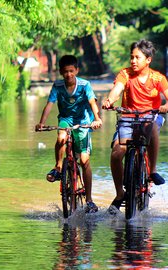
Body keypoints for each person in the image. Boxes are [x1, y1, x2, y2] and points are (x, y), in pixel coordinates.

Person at [102, 39, 168, 213]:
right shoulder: (125, 74)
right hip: (127, 118)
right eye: (131, 57)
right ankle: (120, 193)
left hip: (150, 117)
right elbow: (116, 90)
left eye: (138, 57)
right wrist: (109, 100)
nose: (133, 61)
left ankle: (152, 171)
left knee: (152, 126)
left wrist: (167, 106)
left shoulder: (158, 78)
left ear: (148, 59)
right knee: (116, 152)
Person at [35, 55, 102, 213]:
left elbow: (92, 102)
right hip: (65, 119)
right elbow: (49, 104)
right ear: (61, 72)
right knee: (61, 137)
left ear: (77, 70)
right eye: (65, 72)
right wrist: (41, 123)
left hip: (83, 121)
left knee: (84, 161)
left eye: (72, 71)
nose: (69, 75)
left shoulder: (85, 85)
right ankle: (58, 167)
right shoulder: (57, 86)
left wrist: (97, 119)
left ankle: (90, 200)